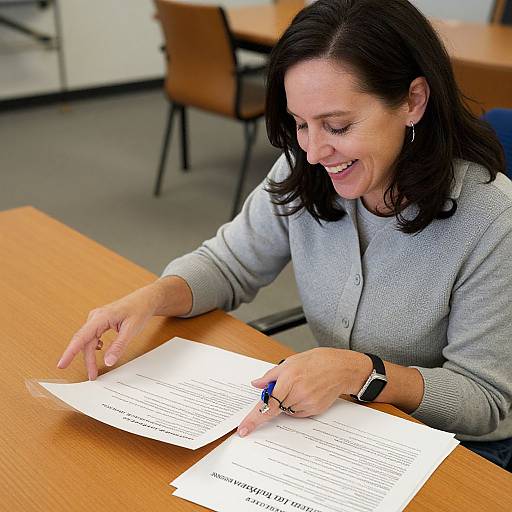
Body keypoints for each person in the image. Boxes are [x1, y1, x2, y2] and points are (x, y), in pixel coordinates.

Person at [57, 0, 512, 469]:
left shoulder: (492, 217)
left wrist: (362, 373)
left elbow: (483, 401)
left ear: (413, 102)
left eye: (337, 125)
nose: (313, 151)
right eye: (300, 124)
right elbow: (228, 264)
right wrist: (153, 297)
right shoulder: (306, 168)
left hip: (462, 451)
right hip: (346, 424)